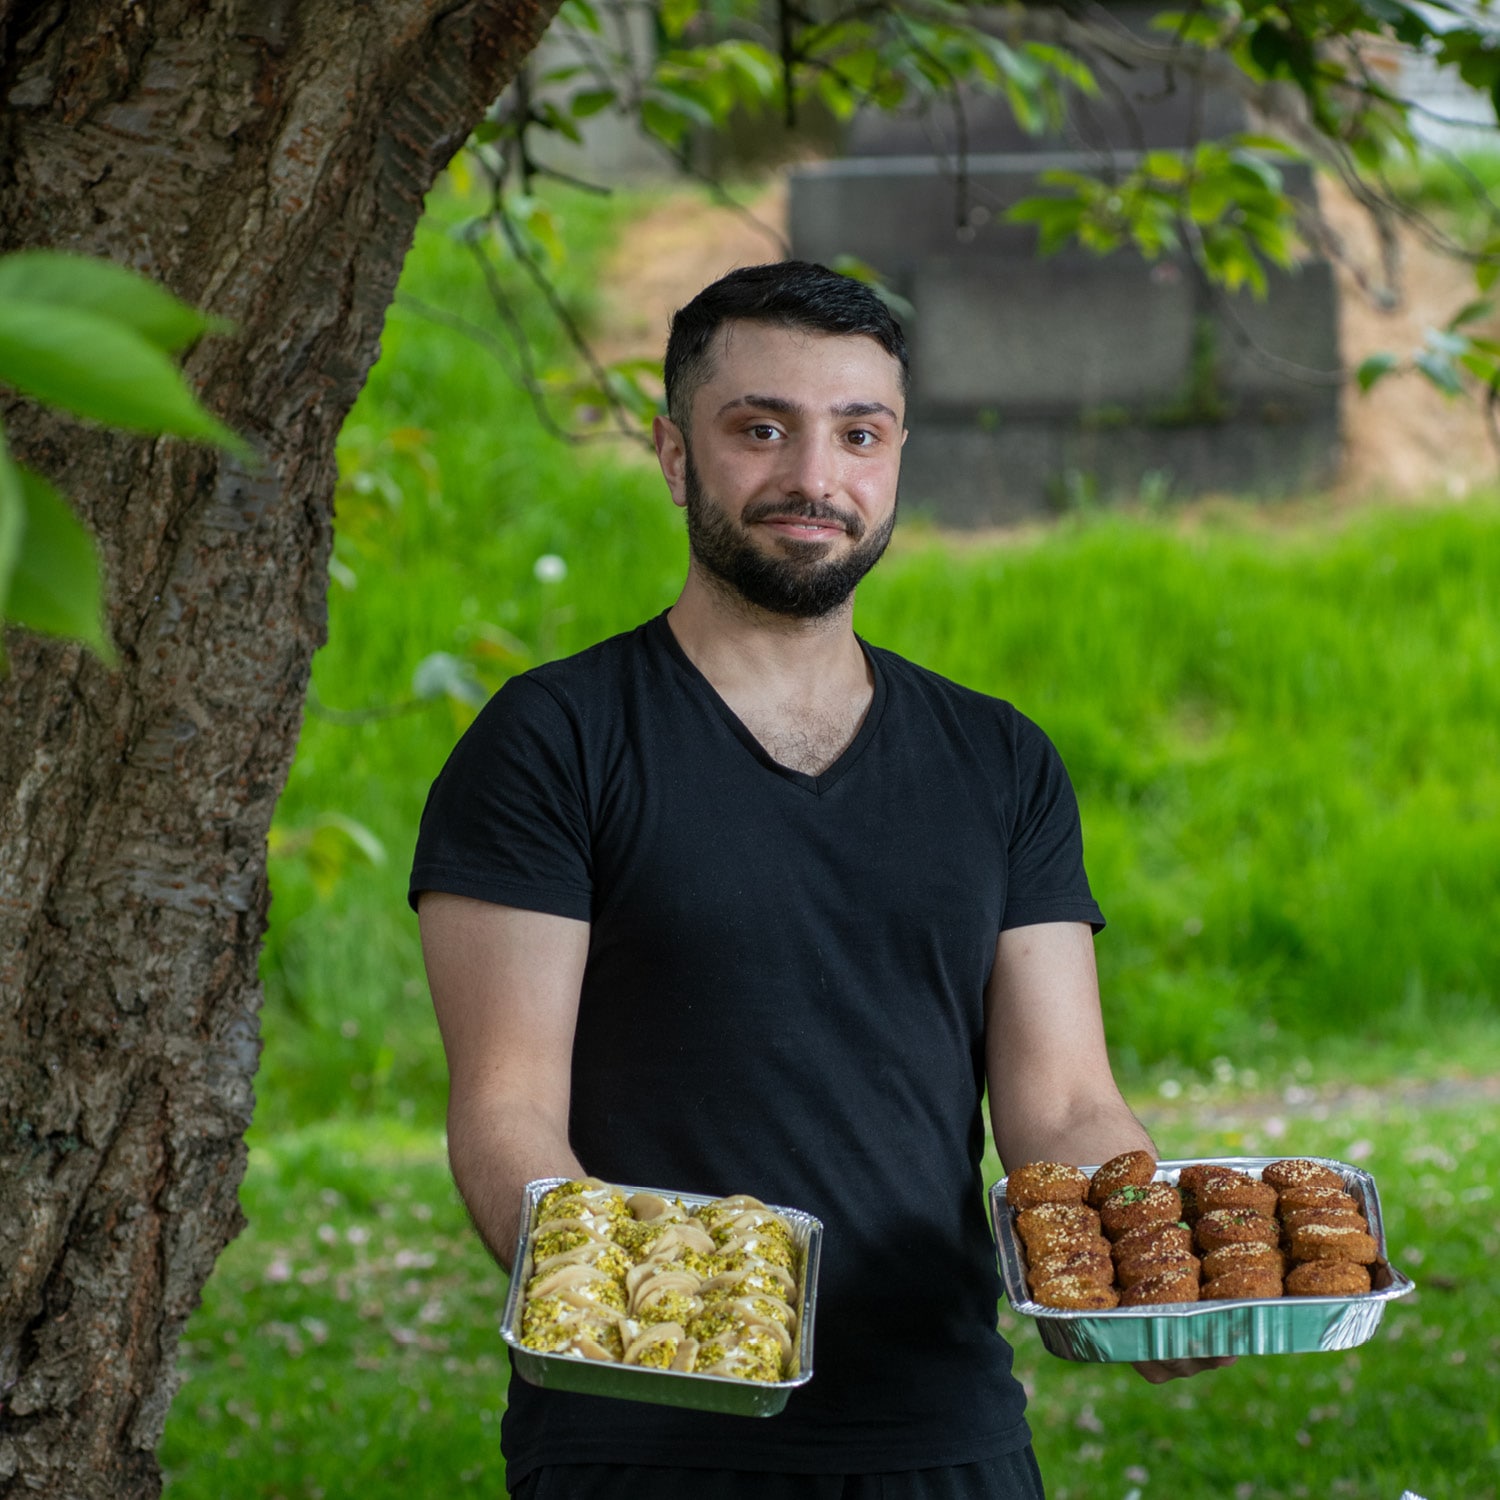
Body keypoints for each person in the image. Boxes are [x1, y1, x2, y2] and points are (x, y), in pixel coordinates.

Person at [410, 260, 1226, 1500]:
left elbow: (1062, 1106)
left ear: (897, 455)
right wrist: (662, 1336)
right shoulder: (552, 740)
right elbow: (508, 1111)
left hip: (945, 1432)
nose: (814, 479)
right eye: (760, 429)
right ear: (676, 456)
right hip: (642, 1441)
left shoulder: (998, 759)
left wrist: (1136, 1265)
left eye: (859, 433)